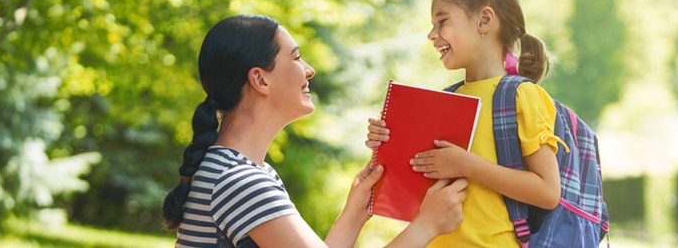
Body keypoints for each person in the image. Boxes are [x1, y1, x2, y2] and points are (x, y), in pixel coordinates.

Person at [162, 15, 468, 248]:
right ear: (260, 80)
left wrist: (354, 213)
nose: (309, 70)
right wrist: (425, 227)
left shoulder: (244, 171)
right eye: (296, 58)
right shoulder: (241, 181)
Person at [365, 0, 566, 247]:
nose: (431, 35)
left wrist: (468, 164)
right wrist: (387, 144)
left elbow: (548, 192)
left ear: (484, 20)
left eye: (442, 21)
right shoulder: (446, 100)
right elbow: (416, 184)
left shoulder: (521, 95)